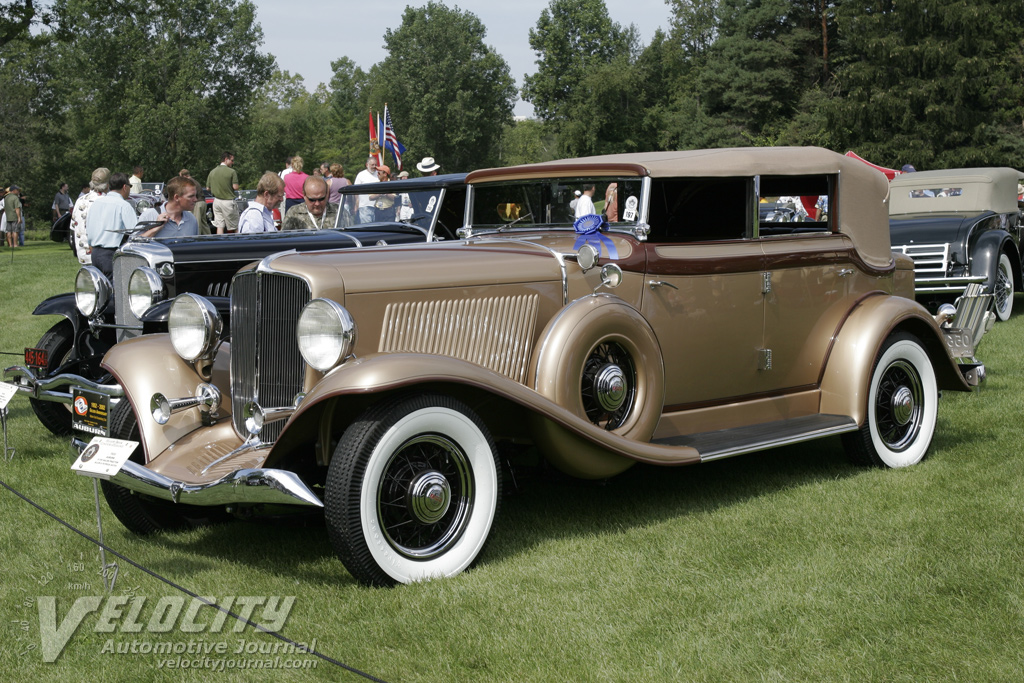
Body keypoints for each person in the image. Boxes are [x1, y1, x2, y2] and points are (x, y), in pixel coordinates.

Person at [85, 172, 137, 278]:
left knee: (100, 290)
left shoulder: (96, 203)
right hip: (111, 253)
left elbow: (89, 230)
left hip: (95, 253)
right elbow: (135, 233)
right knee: (116, 291)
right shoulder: (124, 205)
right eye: (130, 186)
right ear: (125, 187)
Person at [71, 167, 110, 265]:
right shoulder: (106, 201)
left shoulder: (80, 200)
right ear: (107, 185)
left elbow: (73, 227)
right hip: (101, 255)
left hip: (83, 255)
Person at [206, 151, 239, 234]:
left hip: (216, 202)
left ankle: (219, 244)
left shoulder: (212, 172)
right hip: (228, 201)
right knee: (235, 226)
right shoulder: (232, 172)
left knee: (220, 226)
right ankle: (239, 244)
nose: (233, 162)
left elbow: (207, 188)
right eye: (231, 160)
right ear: (226, 159)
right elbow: (235, 187)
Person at [353, 156, 380, 223]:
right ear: (367, 165)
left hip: (378, 207)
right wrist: (357, 204)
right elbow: (356, 191)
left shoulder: (379, 174)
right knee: (367, 228)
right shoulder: (361, 175)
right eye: (372, 165)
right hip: (365, 206)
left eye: (375, 165)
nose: (374, 166)